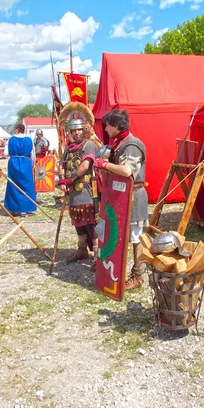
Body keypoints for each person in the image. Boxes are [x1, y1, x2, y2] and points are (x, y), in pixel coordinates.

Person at [96, 109, 149, 290]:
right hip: (121, 196)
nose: (106, 129)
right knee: (117, 234)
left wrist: (105, 164)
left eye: (108, 126)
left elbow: (127, 171)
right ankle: (114, 268)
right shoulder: (120, 143)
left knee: (136, 238)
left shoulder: (132, 145)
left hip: (134, 198)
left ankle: (138, 275)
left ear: (116, 126)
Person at [57, 102, 101, 267]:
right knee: (77, 220)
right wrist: (62, 180)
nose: (76, 133)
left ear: (85, 129)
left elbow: (84, 166)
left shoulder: (89, 144)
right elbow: (61, 164)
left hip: (87, 190)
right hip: (74, 192)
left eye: (79, 130)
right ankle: (82, 249)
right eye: (73, 130)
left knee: (91, 222)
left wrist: (70, 180)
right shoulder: (69, 148)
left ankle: (97, 254)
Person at [4, 123, 36, 216]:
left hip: (14, 163)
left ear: (17, 129)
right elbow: (33, 155)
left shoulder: (11, 139)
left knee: (13, 185)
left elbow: (6, 153)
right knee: (26, 185)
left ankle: (13, 209)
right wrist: (32, 165)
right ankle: (25, 210)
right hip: (25, 163)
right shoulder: (29, 140)